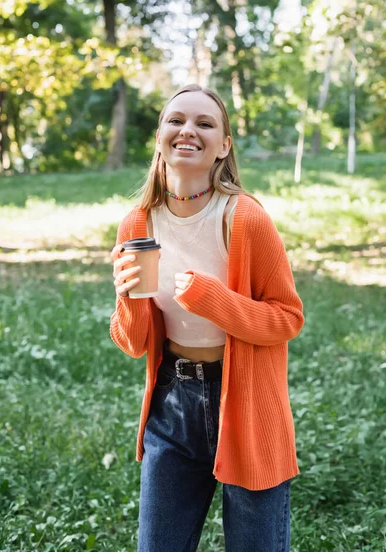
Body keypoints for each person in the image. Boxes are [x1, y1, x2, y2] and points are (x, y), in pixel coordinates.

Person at [110, 84, 304, 552]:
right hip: (173, 402)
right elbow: (133, 342)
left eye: (204, 123)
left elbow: (287, 318)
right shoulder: (138, 224)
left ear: (223, 146)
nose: (187, 131)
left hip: (246, 403)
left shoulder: (245, 220)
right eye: (176, 120)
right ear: (159, 136)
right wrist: (129, 297)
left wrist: (216, 301)